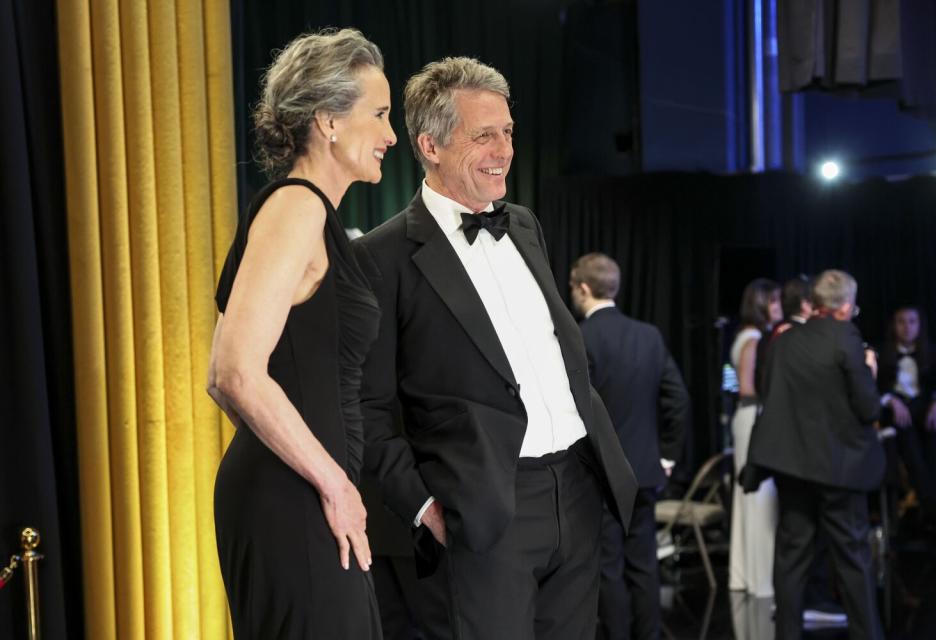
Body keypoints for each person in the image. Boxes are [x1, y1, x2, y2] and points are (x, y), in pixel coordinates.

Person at [355, 57, 637, 640]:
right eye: (484, 135)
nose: (504, 149)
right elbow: (368, 408)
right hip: (482, 512)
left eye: (508, 132)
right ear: (430, 146)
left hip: (577, 491)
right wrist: (424, 508)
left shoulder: (525, 225)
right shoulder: (381, 259)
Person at [206, 28, 396, 638]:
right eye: (380, 114)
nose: (391, 135)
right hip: (301, 501)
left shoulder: (307, 213)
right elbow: (232, 373)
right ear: (329, 122)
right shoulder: (297, 207)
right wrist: (333, 483)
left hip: (299, 494)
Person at [747, 270, 885, 640]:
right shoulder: (847, 338)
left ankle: (786, 634)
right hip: (839, 469)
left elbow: (769, 395)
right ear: (844, 306)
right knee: (852, 557)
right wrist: (870, 371)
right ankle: (866, 634)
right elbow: (868, 408)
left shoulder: (783, 340)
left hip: (792, 467)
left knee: (791, 557)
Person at [569, 253, 690, 640]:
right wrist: (667, 454)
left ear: (583, 288)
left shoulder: (578, 338)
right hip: (644, 472)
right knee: (644, 564)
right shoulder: (649, 335)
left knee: (609, 566)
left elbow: (575, 411)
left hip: (599, 476)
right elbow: (678, 399)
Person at [728, 278, 782, 597]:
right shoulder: (753, 337)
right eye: (774, 303)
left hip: (749, 417)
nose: (779, 308)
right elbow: (747, 388)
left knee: (750, 497)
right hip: (752, 417)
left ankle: (747, 575)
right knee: (758, 495)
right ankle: (760, 578)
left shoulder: (748, 336)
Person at [877, 305, 936, 517]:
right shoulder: (883, 353)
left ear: (920, 325)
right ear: (894, 326)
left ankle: (930, 501)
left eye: (912, 322)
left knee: (935, 440)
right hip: (898, 416)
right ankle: (932, 506)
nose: (907, 327)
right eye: (901, 322)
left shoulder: (934, 353)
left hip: (926, 412)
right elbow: (875, 389)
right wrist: (891, 399)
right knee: (908, 440)